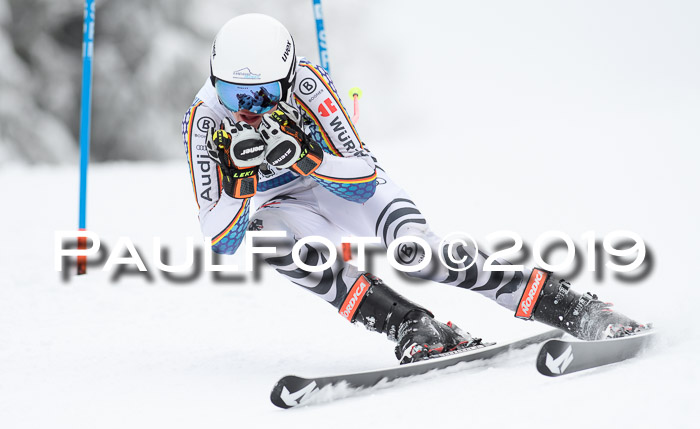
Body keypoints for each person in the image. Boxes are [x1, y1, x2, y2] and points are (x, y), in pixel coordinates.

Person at [182, 14, 645, 364]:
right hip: (284, 206)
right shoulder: (203, 120)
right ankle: (412, 325)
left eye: (263, 95)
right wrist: (241, 183)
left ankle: (569, 306)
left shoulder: (306, 83)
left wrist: (308, 157)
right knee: (271, 238)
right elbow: (223, 239)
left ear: (285, 79)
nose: (247, 109)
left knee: (418, 254)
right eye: (233, 94)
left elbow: (362, 180)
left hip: (338, 186)